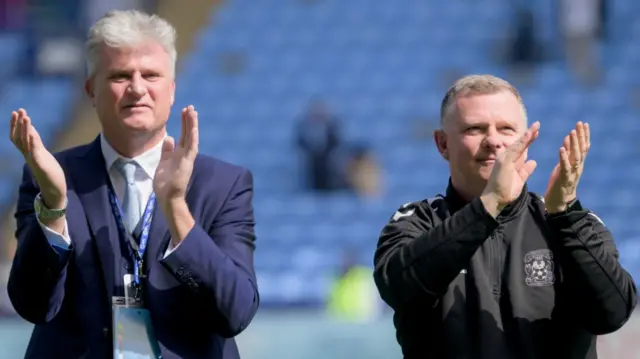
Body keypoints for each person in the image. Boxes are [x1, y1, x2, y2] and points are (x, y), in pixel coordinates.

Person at [7, 10, 259, 359]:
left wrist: (176, 209)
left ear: (171, 90)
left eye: (151, 75)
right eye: (121, 75)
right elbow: (33, 305)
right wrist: (53, 206)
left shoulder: (224, 184)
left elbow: (236, 311)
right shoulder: (49, 176)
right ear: (91, 90)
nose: (137, 88)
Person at [373, 74, 637, 359]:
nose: (494, 141)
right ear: (442, 144)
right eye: (475, 129)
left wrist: (566, 216)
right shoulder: (417, 221)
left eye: (506, 129)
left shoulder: (570, 223)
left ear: (527, 139)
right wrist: (490, 205)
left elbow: (613, 313)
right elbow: (399, 290)